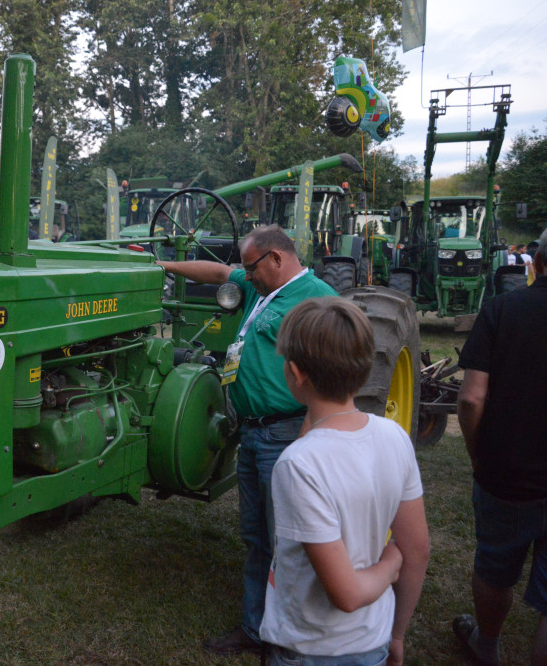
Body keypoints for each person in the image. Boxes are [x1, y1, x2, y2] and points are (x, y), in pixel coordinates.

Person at [157, 224, 338, 656]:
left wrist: (308, 439)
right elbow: (220, 273)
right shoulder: (262, 288)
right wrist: (162, 265)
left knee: (289, 541)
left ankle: (291, 642)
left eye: (252, 268)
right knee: (258, 538)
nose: (246, 276)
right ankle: (256, 628)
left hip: (286, 433)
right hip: (252, 430)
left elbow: (333, 378)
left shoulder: (318, 300)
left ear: (276, 258)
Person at [259, 298, 429, 666]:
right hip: (374, 640)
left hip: (312, 650)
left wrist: (389, 564)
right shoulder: (394, 436)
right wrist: (397, 636)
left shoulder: (298, 464)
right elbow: (417, 548)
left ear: (295, 373)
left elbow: (347, 595)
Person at [454, 228, 547, 666]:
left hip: (506, 475)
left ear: (536, 263)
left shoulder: (501, 309)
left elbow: (471, 398)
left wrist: (478, 453)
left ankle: (486, 645)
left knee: (495, 570)